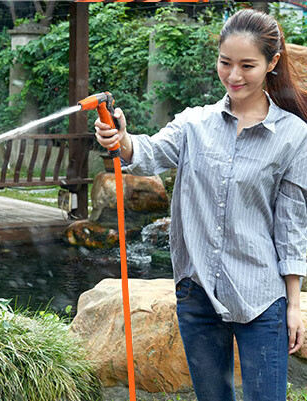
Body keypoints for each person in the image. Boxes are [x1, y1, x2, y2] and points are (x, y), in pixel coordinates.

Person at [94, 8, 307, 401]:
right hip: (197, 294)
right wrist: (120, 138)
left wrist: (294, 306)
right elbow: (146, 153)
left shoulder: (294, 135)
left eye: (247, 65)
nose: (234, 75)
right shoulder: (194, 123)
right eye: (226, 62)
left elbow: (291, 225)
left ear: (272, 62)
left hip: (262, 298)